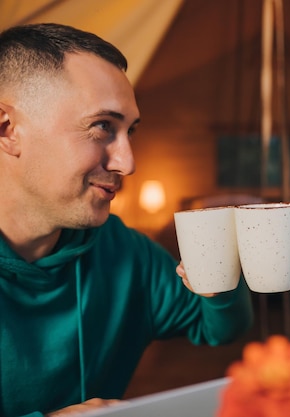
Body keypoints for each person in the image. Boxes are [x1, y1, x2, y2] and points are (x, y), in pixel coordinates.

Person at [0, 23, 253, 417]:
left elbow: (218, 327)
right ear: (8, 129)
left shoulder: (124, 251)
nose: (128, 163)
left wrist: (220, 267)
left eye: (130, 131)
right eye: (102, 127)